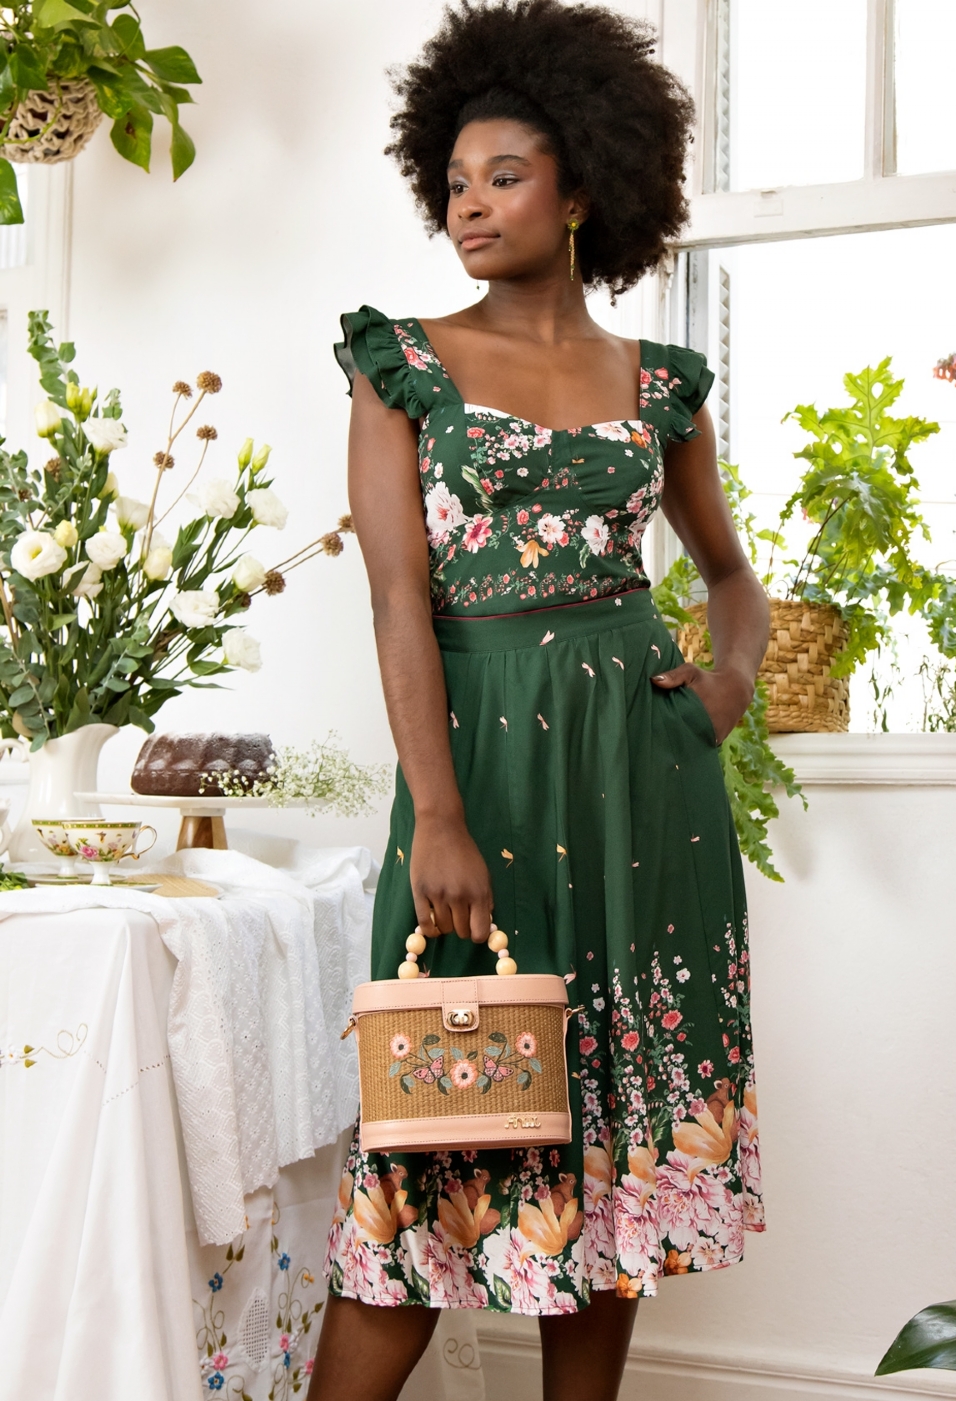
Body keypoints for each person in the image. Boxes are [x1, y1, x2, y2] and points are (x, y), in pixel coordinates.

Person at [311, 3, 770, 1397]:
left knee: (609, 1174)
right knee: (428, 1172)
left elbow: (732, 580)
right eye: (454, 181)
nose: (469, 203)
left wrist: (722, 689)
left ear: (581, 191)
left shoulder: (659, 386)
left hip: (645, 791)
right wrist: (437, 815)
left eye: (503, 175)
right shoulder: (403, 364)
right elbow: (398, 600)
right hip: (483, 783)